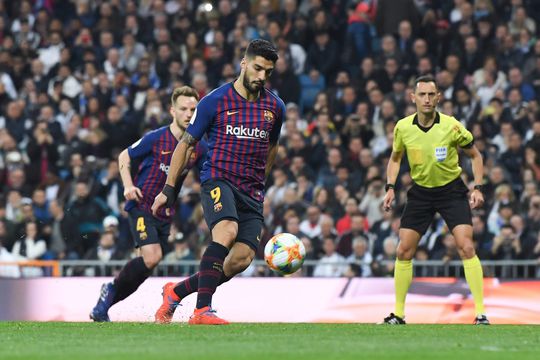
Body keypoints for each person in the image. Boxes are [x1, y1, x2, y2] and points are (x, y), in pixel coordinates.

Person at [151, 39, 284, 325]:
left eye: (268, 72)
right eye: (258, 68)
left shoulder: (275, 107)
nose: (262, 76)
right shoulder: (214, 101)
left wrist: (262, 182)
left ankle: (175, 292)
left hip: (251, 191)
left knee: (241, 259)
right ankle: (202, 311)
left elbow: (271, 148)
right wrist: (168, 190)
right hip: (218, 179)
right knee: (226, 230)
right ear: (244, 63)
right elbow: (185, 145)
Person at [90, 86, 206, 322]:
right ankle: (111, 289)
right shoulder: (156, 138)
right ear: (172, 110)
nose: (188, 114)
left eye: (193, 110)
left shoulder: (198, 147)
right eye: (183, 109)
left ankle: (107, 299)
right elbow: (124, 156)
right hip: (142, 205)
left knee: (147, 267)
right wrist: (128, 185)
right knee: (152, 257)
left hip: (166, 213)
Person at [381, 75, 489, 325]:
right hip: (421, 192)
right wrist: (390, 187)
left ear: (438, 97)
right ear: (413, 98)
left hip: (452, 191)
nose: (427, 99)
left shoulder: (451, 126)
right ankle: (398, 314)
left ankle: (481, 313)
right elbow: (395, 158)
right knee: (403, 250)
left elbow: (476, 155)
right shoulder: (403, 127)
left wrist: (478, 187)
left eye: (432, 95)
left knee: (466, 247)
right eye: (422, 95)